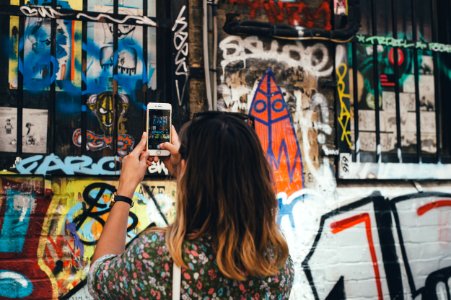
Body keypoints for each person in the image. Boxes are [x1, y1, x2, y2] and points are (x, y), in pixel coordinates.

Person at [88, 112, 294, 299]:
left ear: (186, 167)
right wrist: (187, 172)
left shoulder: (158, 255)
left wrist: (125, 189)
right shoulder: (275, 261)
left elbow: (98, 279)